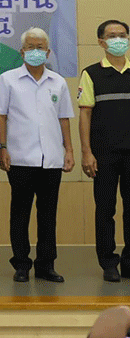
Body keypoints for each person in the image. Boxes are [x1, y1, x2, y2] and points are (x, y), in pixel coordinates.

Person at [0, 27, 74, 283]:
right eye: (30, 47)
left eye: (40, 47)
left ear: (48, 52)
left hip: (51, 158)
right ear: (22, 51)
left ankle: (46, 265)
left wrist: (69, 150)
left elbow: (64, 118)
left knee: (48, 215)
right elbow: (0, 116)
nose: (35, 51)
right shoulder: (8, 80)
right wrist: (2, 147)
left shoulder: (58, 82)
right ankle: (21, 264)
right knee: (20, 213)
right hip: (19, 158)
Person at [79, 20, 130, 282]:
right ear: (101, 42)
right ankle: (108, 263)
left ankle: (129, 263)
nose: (118, 39)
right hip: (103, 155)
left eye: (122, 35)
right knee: (105, 210)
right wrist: (86, 152)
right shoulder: (91, 74)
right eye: (112, 36)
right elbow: (85, 114)